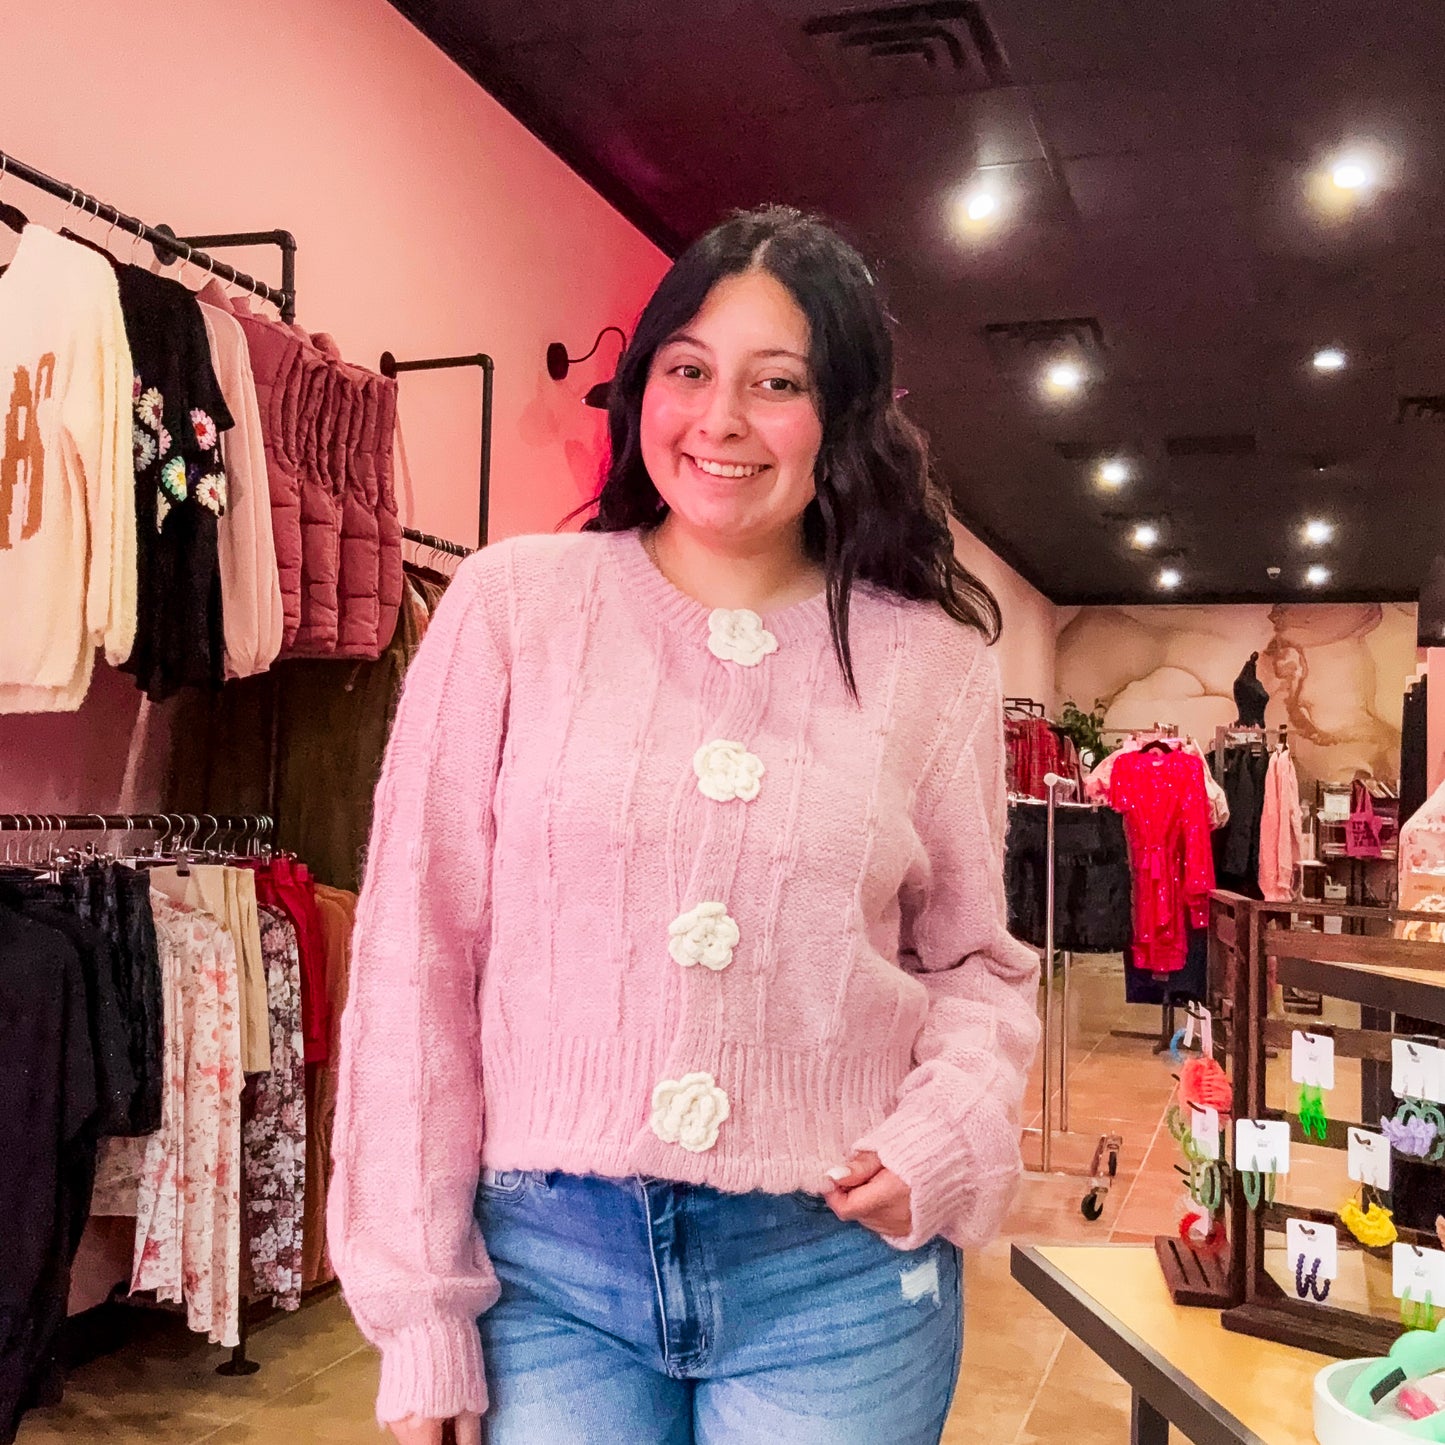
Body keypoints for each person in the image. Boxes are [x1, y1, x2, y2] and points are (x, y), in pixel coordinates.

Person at [329, 206, 1042, 1445]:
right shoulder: (511, 611)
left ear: (843, 416)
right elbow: (414, 963)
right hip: (545, 1275)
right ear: (641, 388)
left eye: (778, 383)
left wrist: (947, 1132)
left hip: (837, 1271)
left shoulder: (931, 667)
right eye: (687, 370)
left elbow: (972, 964)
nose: (719, 419)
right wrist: (420, 1304)